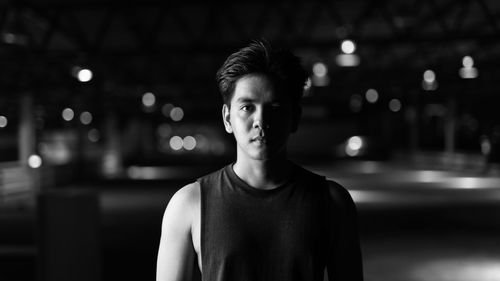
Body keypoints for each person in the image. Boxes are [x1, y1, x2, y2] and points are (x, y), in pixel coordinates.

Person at [156, 39, 363, 281]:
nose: (261, 121)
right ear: (227, 118)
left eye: (274, 107)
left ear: (295, 117)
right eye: (247, 107)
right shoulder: (189, 204)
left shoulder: (332, 202)